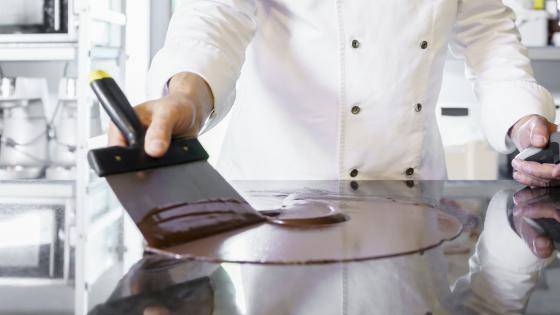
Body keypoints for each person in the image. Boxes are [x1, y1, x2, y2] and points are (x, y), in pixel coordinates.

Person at [109, 0, 559, 185]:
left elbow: (489, 34)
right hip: (280, 196)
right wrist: (186, 96)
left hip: (408, 199)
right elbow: (214, 18)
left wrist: (523, 119)